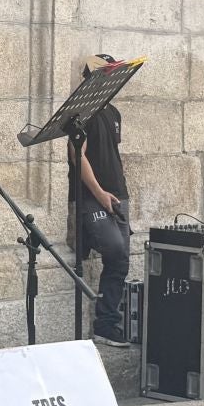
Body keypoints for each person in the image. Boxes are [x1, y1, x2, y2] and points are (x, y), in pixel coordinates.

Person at [70, 56, 131, 348]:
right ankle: (104, 323)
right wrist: (99, 193)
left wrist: (117, 192)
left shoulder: (115, 112)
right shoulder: (81, 111)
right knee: (114, 249)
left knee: (120, 262)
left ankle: (107, 325)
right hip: (93, 197)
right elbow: (76, 156)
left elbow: (111, 154)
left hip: (118, 194)